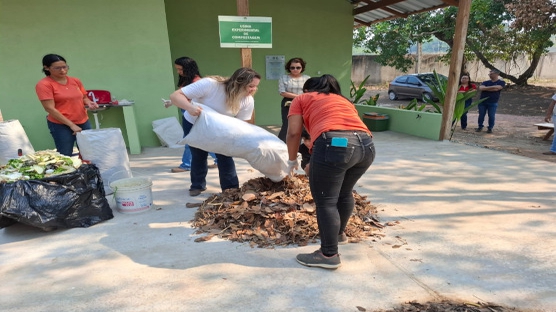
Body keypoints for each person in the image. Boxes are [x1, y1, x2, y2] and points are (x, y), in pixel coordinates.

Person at [286, 74, 375, 269]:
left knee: (326, 200)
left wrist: (292, 160)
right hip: (366, 146)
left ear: (308, 89)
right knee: (344, 192)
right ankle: (339, 234)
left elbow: (293, 132)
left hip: (335, 144)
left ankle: (328, 254)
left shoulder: (301, 99)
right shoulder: (344, 100)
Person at [168, 67, 261, 196]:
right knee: (198, 154)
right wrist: (189, 107)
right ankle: (197, 185)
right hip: (195, 123)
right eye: (251, 86)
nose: (253, 90)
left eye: (256, 86)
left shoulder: (247, 100)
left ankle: (230, 190)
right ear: (238, 83)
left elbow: (241, 123)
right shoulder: (210, 85)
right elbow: (175, 96)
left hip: (220, 128)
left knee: (225, 156)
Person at [35, 54, 99, 156]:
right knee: (65, 154)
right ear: (46, 68)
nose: (62, 70)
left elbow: (84, 97)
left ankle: (88, 171)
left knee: (89, 152)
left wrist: (89, 102)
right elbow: (49, 108)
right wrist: (72, 125)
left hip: (83, 121)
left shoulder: (75, 81)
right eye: (57, 68)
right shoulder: (44, 85)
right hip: (60, 124)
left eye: (65, 67)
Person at [169, 57, 218, 173]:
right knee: (199, 139)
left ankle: (186, 164)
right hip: (186, 112)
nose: (178, 72)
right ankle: (218, 159)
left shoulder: (197, 82)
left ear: (188, 68)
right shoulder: (186, 80)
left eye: (180, 69)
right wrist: (172, 102)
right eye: (177, 69)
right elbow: (183, 97)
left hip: (193, 113)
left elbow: (191, 99)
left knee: (189, 139)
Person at [277, 57, 310, 142]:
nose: (295, 69)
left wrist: (301, 98)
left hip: (303, 103)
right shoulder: (284, 77)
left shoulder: (307, 78)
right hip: (288, 102)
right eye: (292, 67)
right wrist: (298, 96)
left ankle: (298, 146)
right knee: (287, 125)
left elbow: (310, 91)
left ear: (302, 68)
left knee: (301, 125)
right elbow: (282, 92)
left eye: (298, 67)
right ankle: (281, 144)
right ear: (289, 68)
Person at [476, 69, 505, 133]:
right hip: (482, 101)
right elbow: (481, 88)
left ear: (497, 74)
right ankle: (480, 126)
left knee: (491, 115)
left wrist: (486, 88)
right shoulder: (485, 82)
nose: (490, 75)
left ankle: (490, 128)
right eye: (489, 74)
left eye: (491, 74)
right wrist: (493, 88)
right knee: (481, 115)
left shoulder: (501, 82)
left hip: (493, 102)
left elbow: (498, 88)